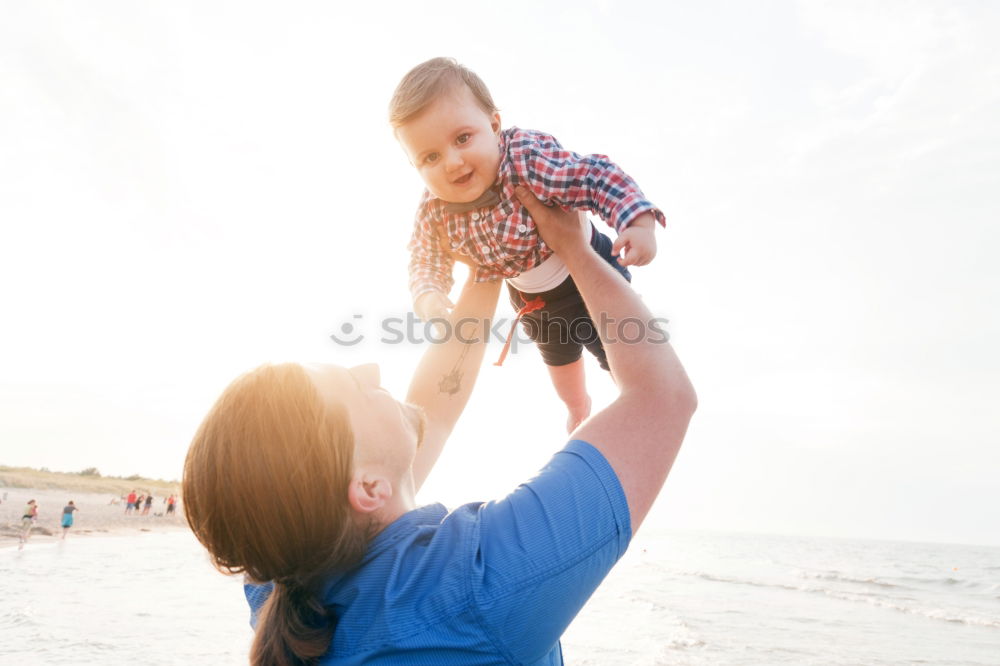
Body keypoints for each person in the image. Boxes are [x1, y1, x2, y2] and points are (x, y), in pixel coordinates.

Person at [183, 191, 695, 665]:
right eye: (356, 389)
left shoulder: (282, 581)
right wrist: (575, 248)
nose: (373, 372)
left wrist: (486, 262)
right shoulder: (479, 585)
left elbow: (436, 409)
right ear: (366, 487)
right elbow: (662, 398)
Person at [392, 57, 666, 432]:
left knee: (618, 352)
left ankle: (645, 407)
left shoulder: (525, 159)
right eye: (430, 157)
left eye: (462, 138)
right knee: (560, 365)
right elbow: (425, 257)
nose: (452, 162)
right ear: (415, 166)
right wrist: (429, 296)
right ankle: (577, 406)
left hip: (584, 274)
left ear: (493, 125)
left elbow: (593, 177)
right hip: (532, 300)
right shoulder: (435, 209)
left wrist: (637, 221)